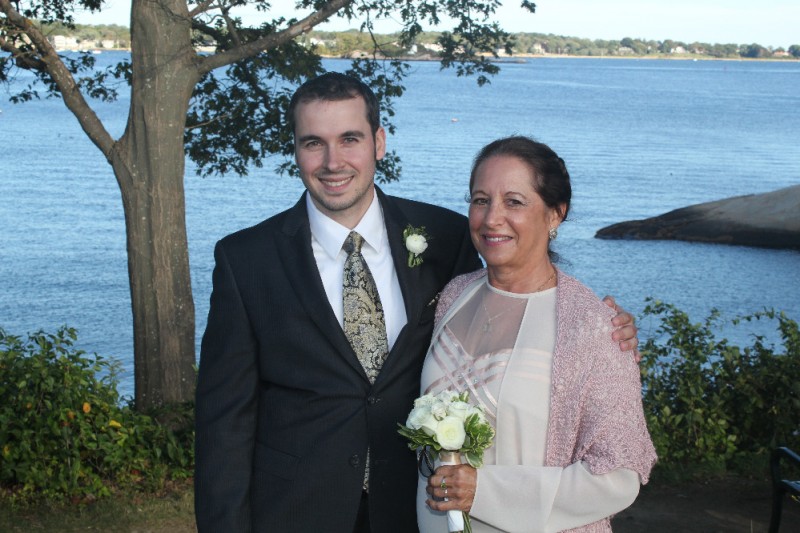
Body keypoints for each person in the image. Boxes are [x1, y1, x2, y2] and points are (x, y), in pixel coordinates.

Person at [194, 73, 640, 533]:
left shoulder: (446, 238)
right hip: (294, 512)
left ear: (379, 142)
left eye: (350, 139)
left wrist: (602, 331)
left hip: (416, 512)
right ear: (295, 150)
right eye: (313, 143)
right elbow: (223, 423)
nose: (332, 161)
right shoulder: (246, 260)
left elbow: (514, 299)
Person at [417, 136, 657, 532]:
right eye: (480, 200)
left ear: (555, 215)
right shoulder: (454, 295)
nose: (492, 218)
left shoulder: (592, 326)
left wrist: (484, 491)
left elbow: (620, 472)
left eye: (514, 202)